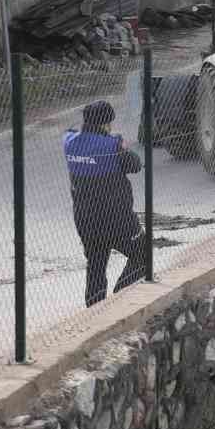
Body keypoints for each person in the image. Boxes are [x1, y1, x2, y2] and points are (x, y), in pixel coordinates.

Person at [63, 101, 145, 307]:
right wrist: (120, 144)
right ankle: (120, 297)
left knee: (96, 266)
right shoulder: (112, 146)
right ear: (106, 124)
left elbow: (70, 132)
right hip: (117, 218)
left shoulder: (69, 142)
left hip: (85, 219)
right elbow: (135, 165)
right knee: (143, 254)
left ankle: (94, 311)